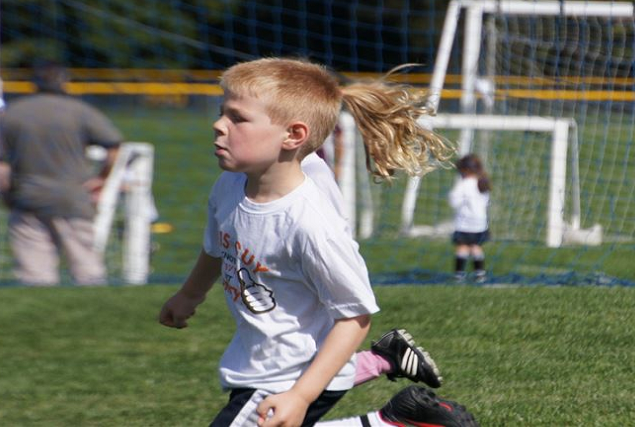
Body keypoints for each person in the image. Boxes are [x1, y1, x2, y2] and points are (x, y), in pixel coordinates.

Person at [158, 57, 473, 427]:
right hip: (265, 360)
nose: (218, 125)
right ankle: (398, 420)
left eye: (237, 118)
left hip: (293, 372)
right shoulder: (230, 185)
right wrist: (189, 295)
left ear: (293, 136)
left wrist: (301, 395)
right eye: (221, 112)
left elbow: (355, 316)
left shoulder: (310, 225)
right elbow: (217, 247)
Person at [0, 62, 122, 286]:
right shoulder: (80, 111)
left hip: (28, 197)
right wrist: (102, 178)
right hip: (72, 198)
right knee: (87, 269)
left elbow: (1, 165)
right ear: (65, 82)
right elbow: (113, 146)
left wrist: (6, 194)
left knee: (34, 273)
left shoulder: (13, 113)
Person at [448, 154, 491, 283]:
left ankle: (459, 275)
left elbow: (454, 200)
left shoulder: (464, 184)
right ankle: (480, 274)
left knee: (463, 248)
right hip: (480, 224)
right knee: (476, 247)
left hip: (465, 224)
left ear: (464, 170)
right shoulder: (482, 182)